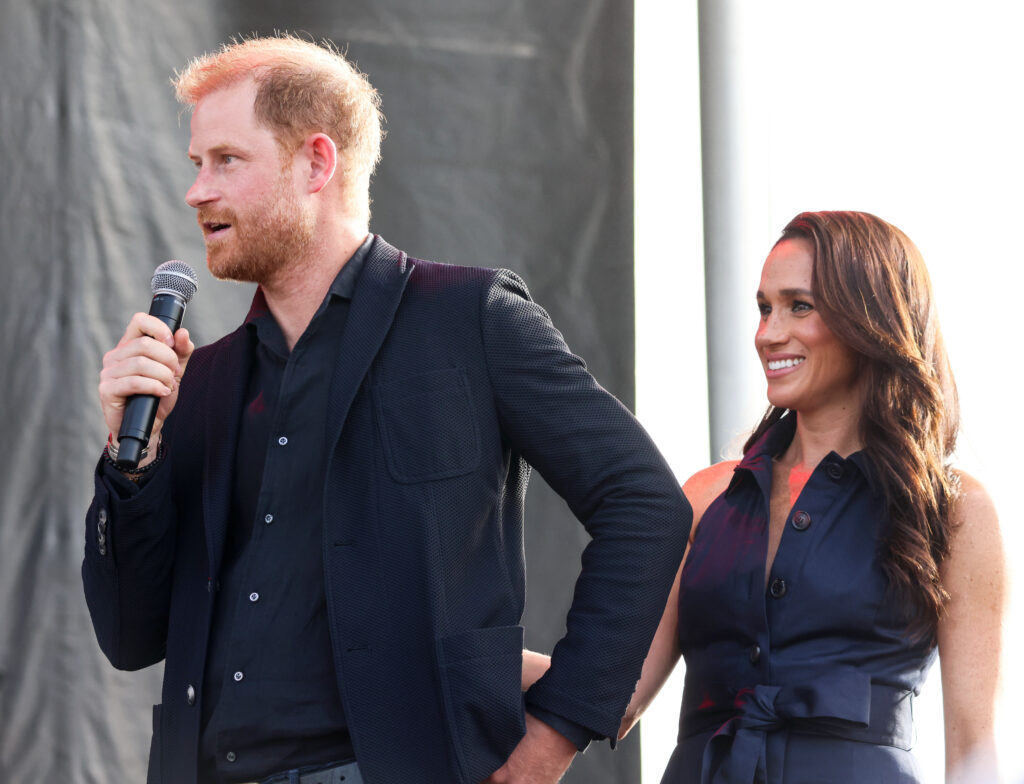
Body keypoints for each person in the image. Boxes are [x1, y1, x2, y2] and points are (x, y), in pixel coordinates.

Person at [81, 34, 691, 784]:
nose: (196, 190)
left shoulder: (469, 318)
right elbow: (131, 635)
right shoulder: (198, 383)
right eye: (196, 165)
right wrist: (128, 461)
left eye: (226, 161)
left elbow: (645, 502)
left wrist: (554, 733)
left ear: (317, 162)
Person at [614, 211, 1006, 783]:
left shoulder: (952, 508)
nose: (768, 334)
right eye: (764, 307)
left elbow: (974, 748)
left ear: (871, 320)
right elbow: (615, 695)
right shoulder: (706, 497)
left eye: (800, 305)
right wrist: (453, 652)